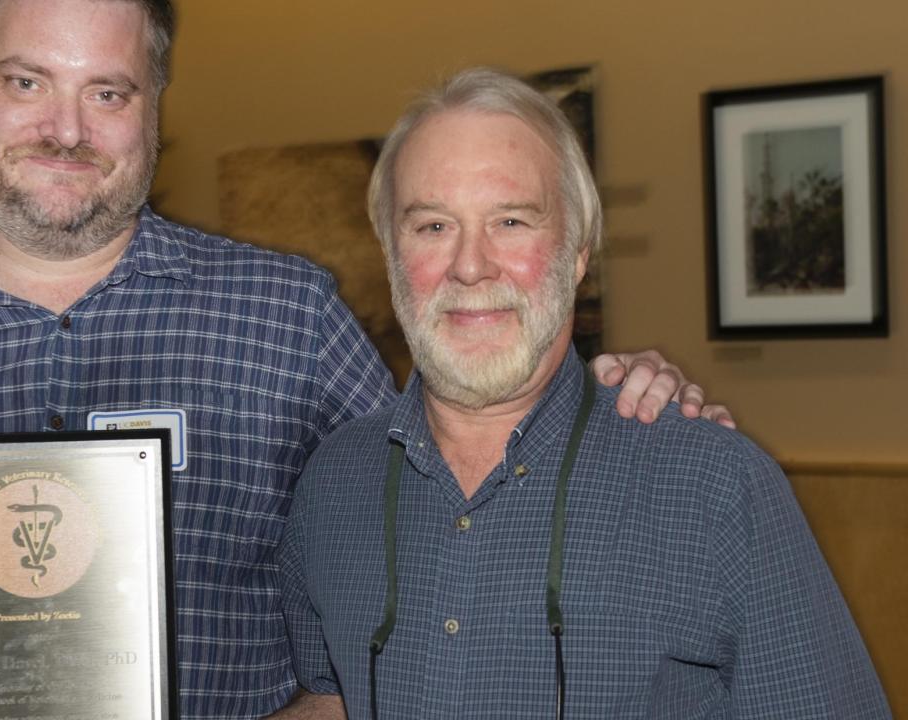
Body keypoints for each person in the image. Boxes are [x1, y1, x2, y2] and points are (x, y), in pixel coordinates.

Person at [0, 3, 730, 718]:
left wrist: (598, 411)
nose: (66, 129)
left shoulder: (285, 314)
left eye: (108, 92)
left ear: (155, 106)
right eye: (25, 82)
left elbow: (444, 510)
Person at [274, 67, 890, 719]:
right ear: (392, 254)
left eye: (511, 221)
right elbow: (329, 699)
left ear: (576, 255)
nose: (471, 264)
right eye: (432, 226)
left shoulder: (717, 487)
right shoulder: (332, 486)